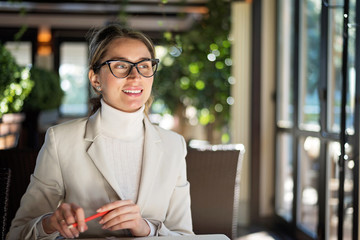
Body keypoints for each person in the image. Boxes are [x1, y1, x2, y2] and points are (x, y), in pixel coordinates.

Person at [7, 24, 193, 239]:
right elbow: (17, 234)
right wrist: (49, 223)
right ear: (96, 79)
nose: (135, 76)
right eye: (121, 66)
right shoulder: (61, 140)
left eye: (144, 65)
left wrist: (146, 229)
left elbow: (184, 235)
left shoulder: (174, 145)